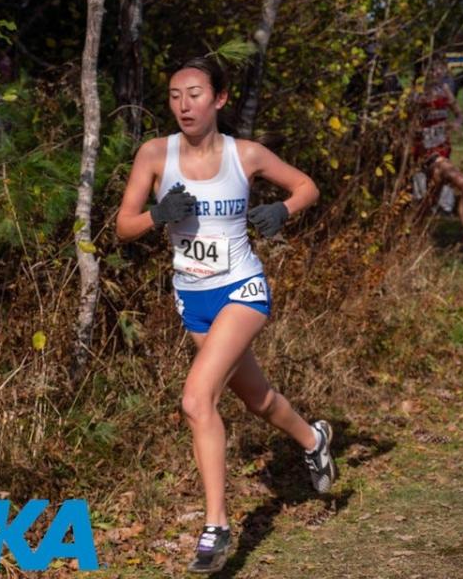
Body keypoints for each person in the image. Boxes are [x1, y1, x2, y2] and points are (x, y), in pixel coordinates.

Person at [115, 56, 335, 573]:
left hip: (243, 288)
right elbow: (123, 226)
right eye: (173, 95)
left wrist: (282, 210)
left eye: (194, 93)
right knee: (255, 397)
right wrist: (156, 216)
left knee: (196, 399)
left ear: (219, 99)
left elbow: (307, 186)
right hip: (193, 299)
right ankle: (313, 438)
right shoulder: (153, 154)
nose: (183, 105)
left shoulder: (247, 155)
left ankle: (216, 526)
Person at [412, 58, 463, 255]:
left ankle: (413, 235)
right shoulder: (415, 95)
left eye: (439, 68)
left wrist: (456, 124)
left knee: (430, 200)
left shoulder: (443, 90)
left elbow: (458, 113)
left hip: (444, 151)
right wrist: (417, 130)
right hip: (427, 155)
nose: (437, 72)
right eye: (433, 68)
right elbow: (405, 125)